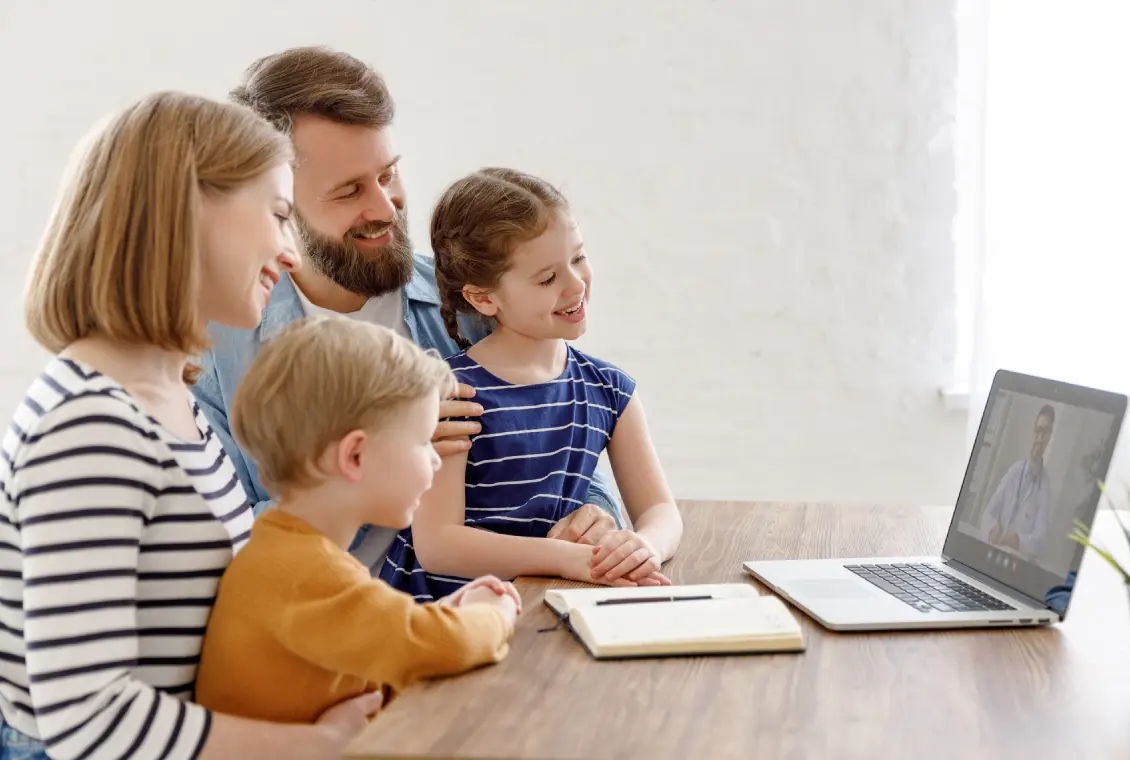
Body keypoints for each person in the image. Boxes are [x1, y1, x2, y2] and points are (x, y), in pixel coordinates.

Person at [0, 92, 382, 760]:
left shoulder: (166, 399)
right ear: (187, 209)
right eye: (278, 214)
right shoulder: (89, 425)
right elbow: (87, 720)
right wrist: (318, 745)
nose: (291, 254)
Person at [191, 46, 623, 574]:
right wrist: (373, 477)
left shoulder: (471, 306)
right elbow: (218, 540)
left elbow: (569, 433)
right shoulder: (215, 352)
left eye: (388, 174)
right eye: (349, 191)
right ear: (275, 202)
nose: (384, 207)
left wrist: (595, 513)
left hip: (500, 618)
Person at [380, 168, 684, 601]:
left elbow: (660, 510)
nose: (576, 284)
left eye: (578, 258)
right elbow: (439, 546)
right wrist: (568, 559)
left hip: (548, 604)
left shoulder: (610, 389)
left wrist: (644, 546)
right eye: (547, 278)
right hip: (446, 616)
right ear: (483, 298)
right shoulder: (450, 394)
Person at [195, 317, 519, 722]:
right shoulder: (304, 573)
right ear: (354, 456)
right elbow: (436, 645)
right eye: (422, 441)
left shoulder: (289, 552)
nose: (436, 458)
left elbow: (388, 649)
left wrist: (446, 616)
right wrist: (493, 614)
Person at [981, 404, 1056, 559]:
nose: (1040, 438)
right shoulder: (1014, 470)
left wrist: (1017, 540)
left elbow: (1040, 542)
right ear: (1033, 432)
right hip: (991, 555)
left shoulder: (1045, 486)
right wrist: (992, 529)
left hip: (1015, 566)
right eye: (1038, 431)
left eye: (1046, 433)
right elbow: (988, 513)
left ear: (1050, 437)